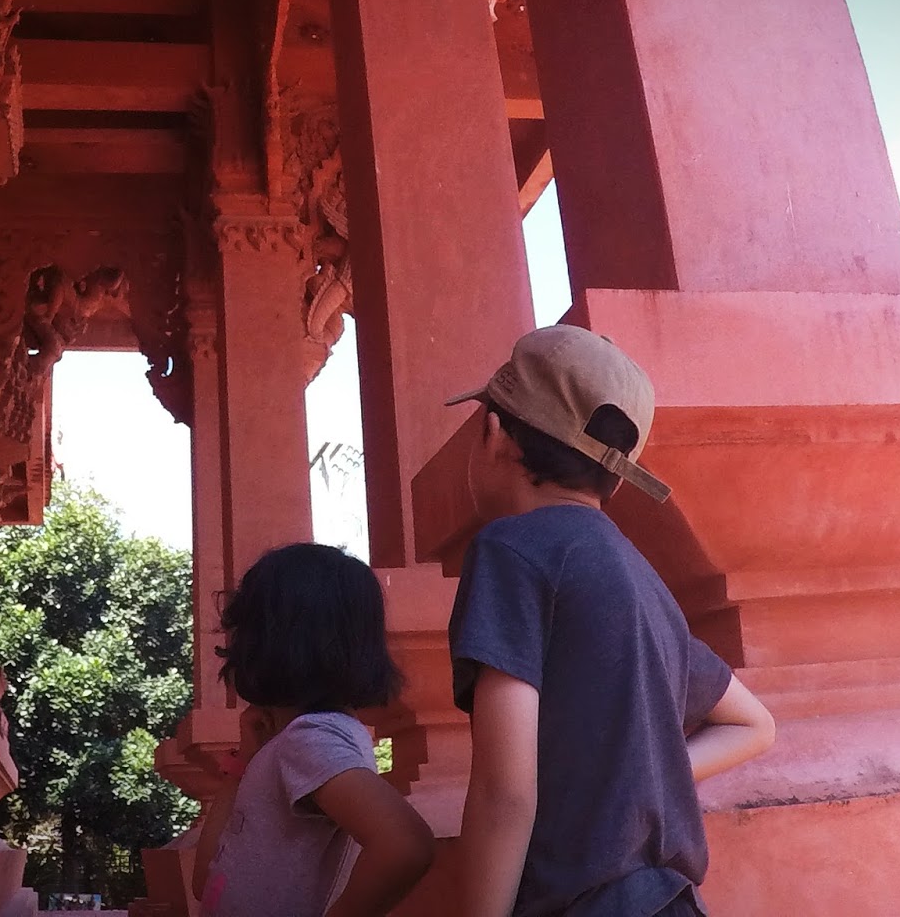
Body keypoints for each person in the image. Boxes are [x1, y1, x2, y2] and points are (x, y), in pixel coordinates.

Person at [445, 325, 777, 917]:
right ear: (618, 476)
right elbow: (753, 724)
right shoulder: (642, 579)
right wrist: (640, 778)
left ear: (493, 434)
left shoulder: (512, 550)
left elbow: (505, 791)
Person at [192, 543, 435, 917]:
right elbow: (206, 881)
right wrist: (242, 764)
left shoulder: (310, 740)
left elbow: (406, 844)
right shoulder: (295, 743)